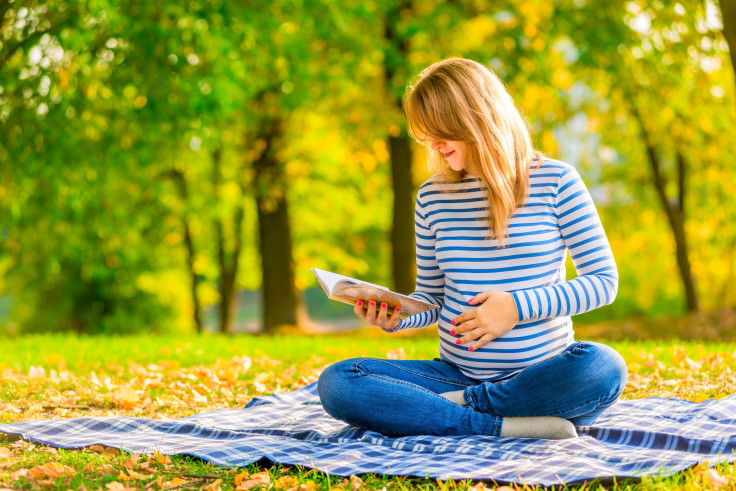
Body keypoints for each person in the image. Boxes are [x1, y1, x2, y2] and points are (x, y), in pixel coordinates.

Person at [317, 58, 628, 439]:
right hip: (455, 374)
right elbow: (433, 299)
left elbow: (603, 281)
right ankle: (501, 425)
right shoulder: (431, 197)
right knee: (339, 382)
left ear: (476, 118)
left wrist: (515, 308)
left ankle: (450, 410)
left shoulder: (557, 181)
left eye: (441, 131)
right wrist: (398, 316)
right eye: (426, 133)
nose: (433, 144)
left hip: (540, 377)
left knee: (602, 366)